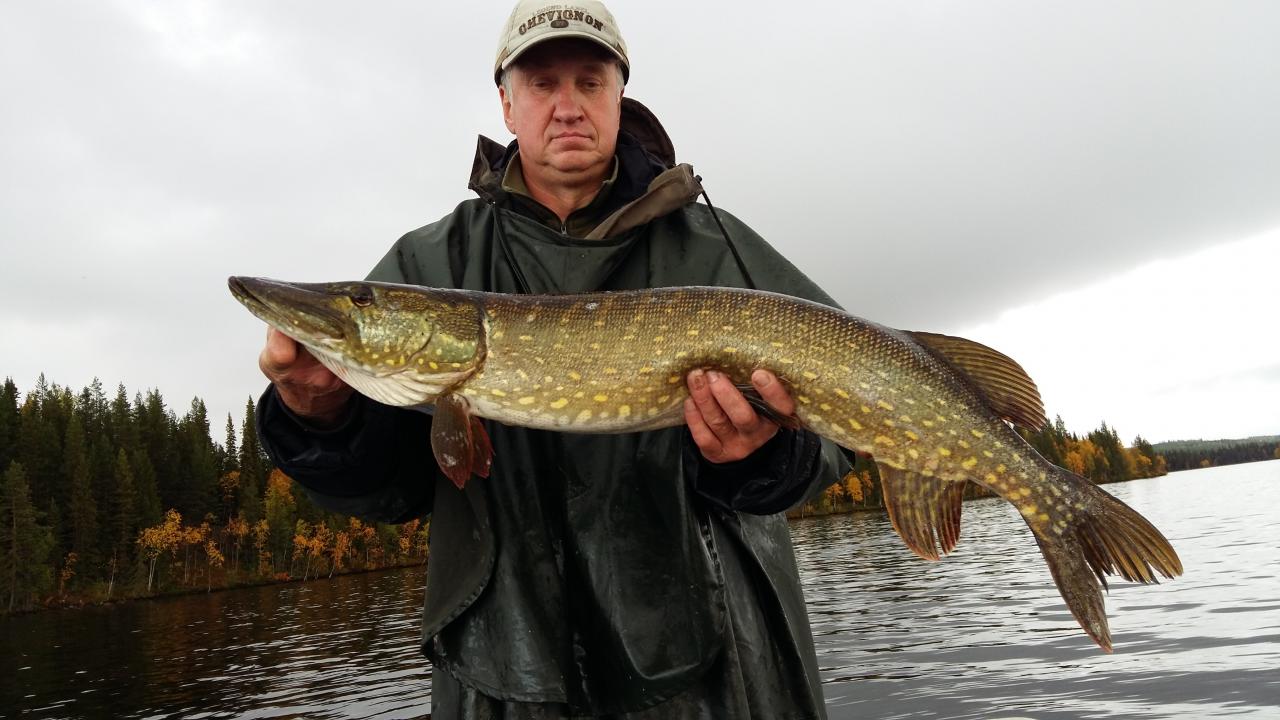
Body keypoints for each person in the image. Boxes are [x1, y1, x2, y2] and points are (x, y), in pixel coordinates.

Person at [255, 1, 851, 717]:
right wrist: (320, 417)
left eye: (589, 82)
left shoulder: (716, 248)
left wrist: (762, 459)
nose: (568, 106)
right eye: (542, 84)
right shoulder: (432, 263)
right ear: (507, 104)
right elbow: (391, 490)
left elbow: (842, 431)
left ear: (619, 97)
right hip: (507, 662)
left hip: (717, 656)